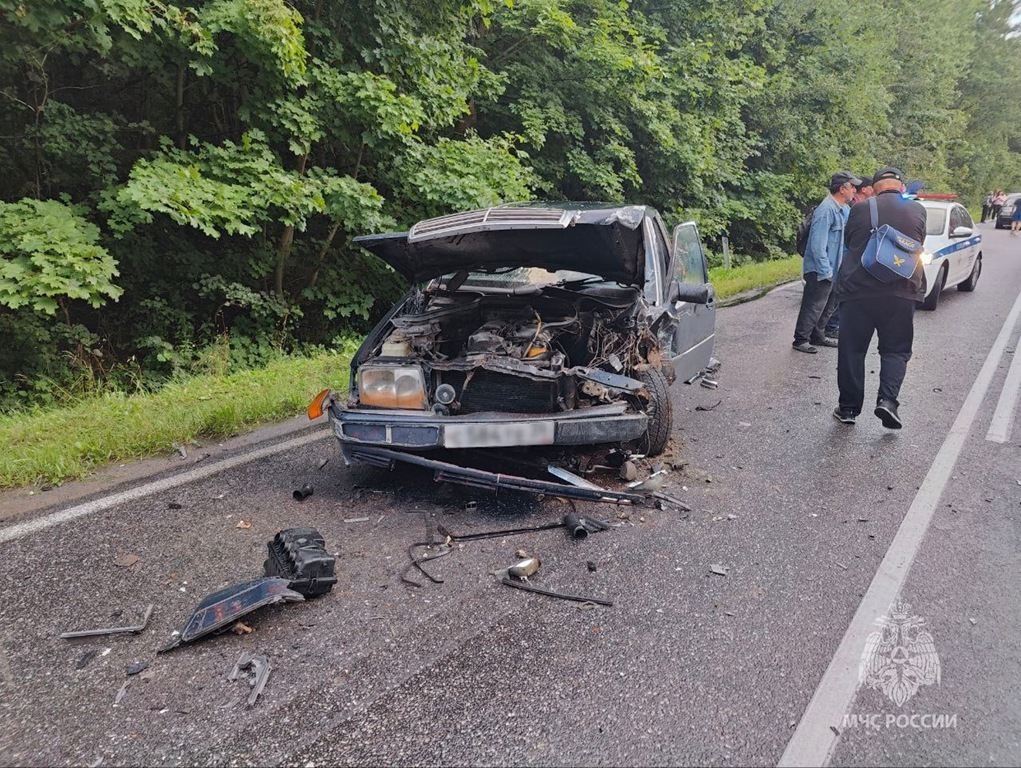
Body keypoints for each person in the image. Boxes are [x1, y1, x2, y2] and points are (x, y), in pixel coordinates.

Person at [832, 166, 927, 428]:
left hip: (858, 292)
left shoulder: (861, 209)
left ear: (874, 188)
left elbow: (851, 242)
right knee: (895, 350)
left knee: (852, 350)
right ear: (902, 188)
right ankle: (887, 401)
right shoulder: (917, 210)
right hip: (901, 292)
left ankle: (849, 409)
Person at [792, 170, 861, 353]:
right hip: (821, 269)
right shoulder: (826, 210)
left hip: (836, 268)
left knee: (830, 304)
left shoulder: (843, 209)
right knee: (814, 305)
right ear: (842, 189)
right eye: (852, 186)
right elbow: (817, 245)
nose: (855, 190)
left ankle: (818, 335)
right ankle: (800, 340)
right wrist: (825, 271)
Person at [826, 174, 876, 339]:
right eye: (851, 187)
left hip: (845, 257)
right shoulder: (851, 207)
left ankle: (829, 327)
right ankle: (828, 327)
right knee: (833, 297)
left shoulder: (853, 206)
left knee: (837, 296)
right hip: (842, 258)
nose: (853, 190)